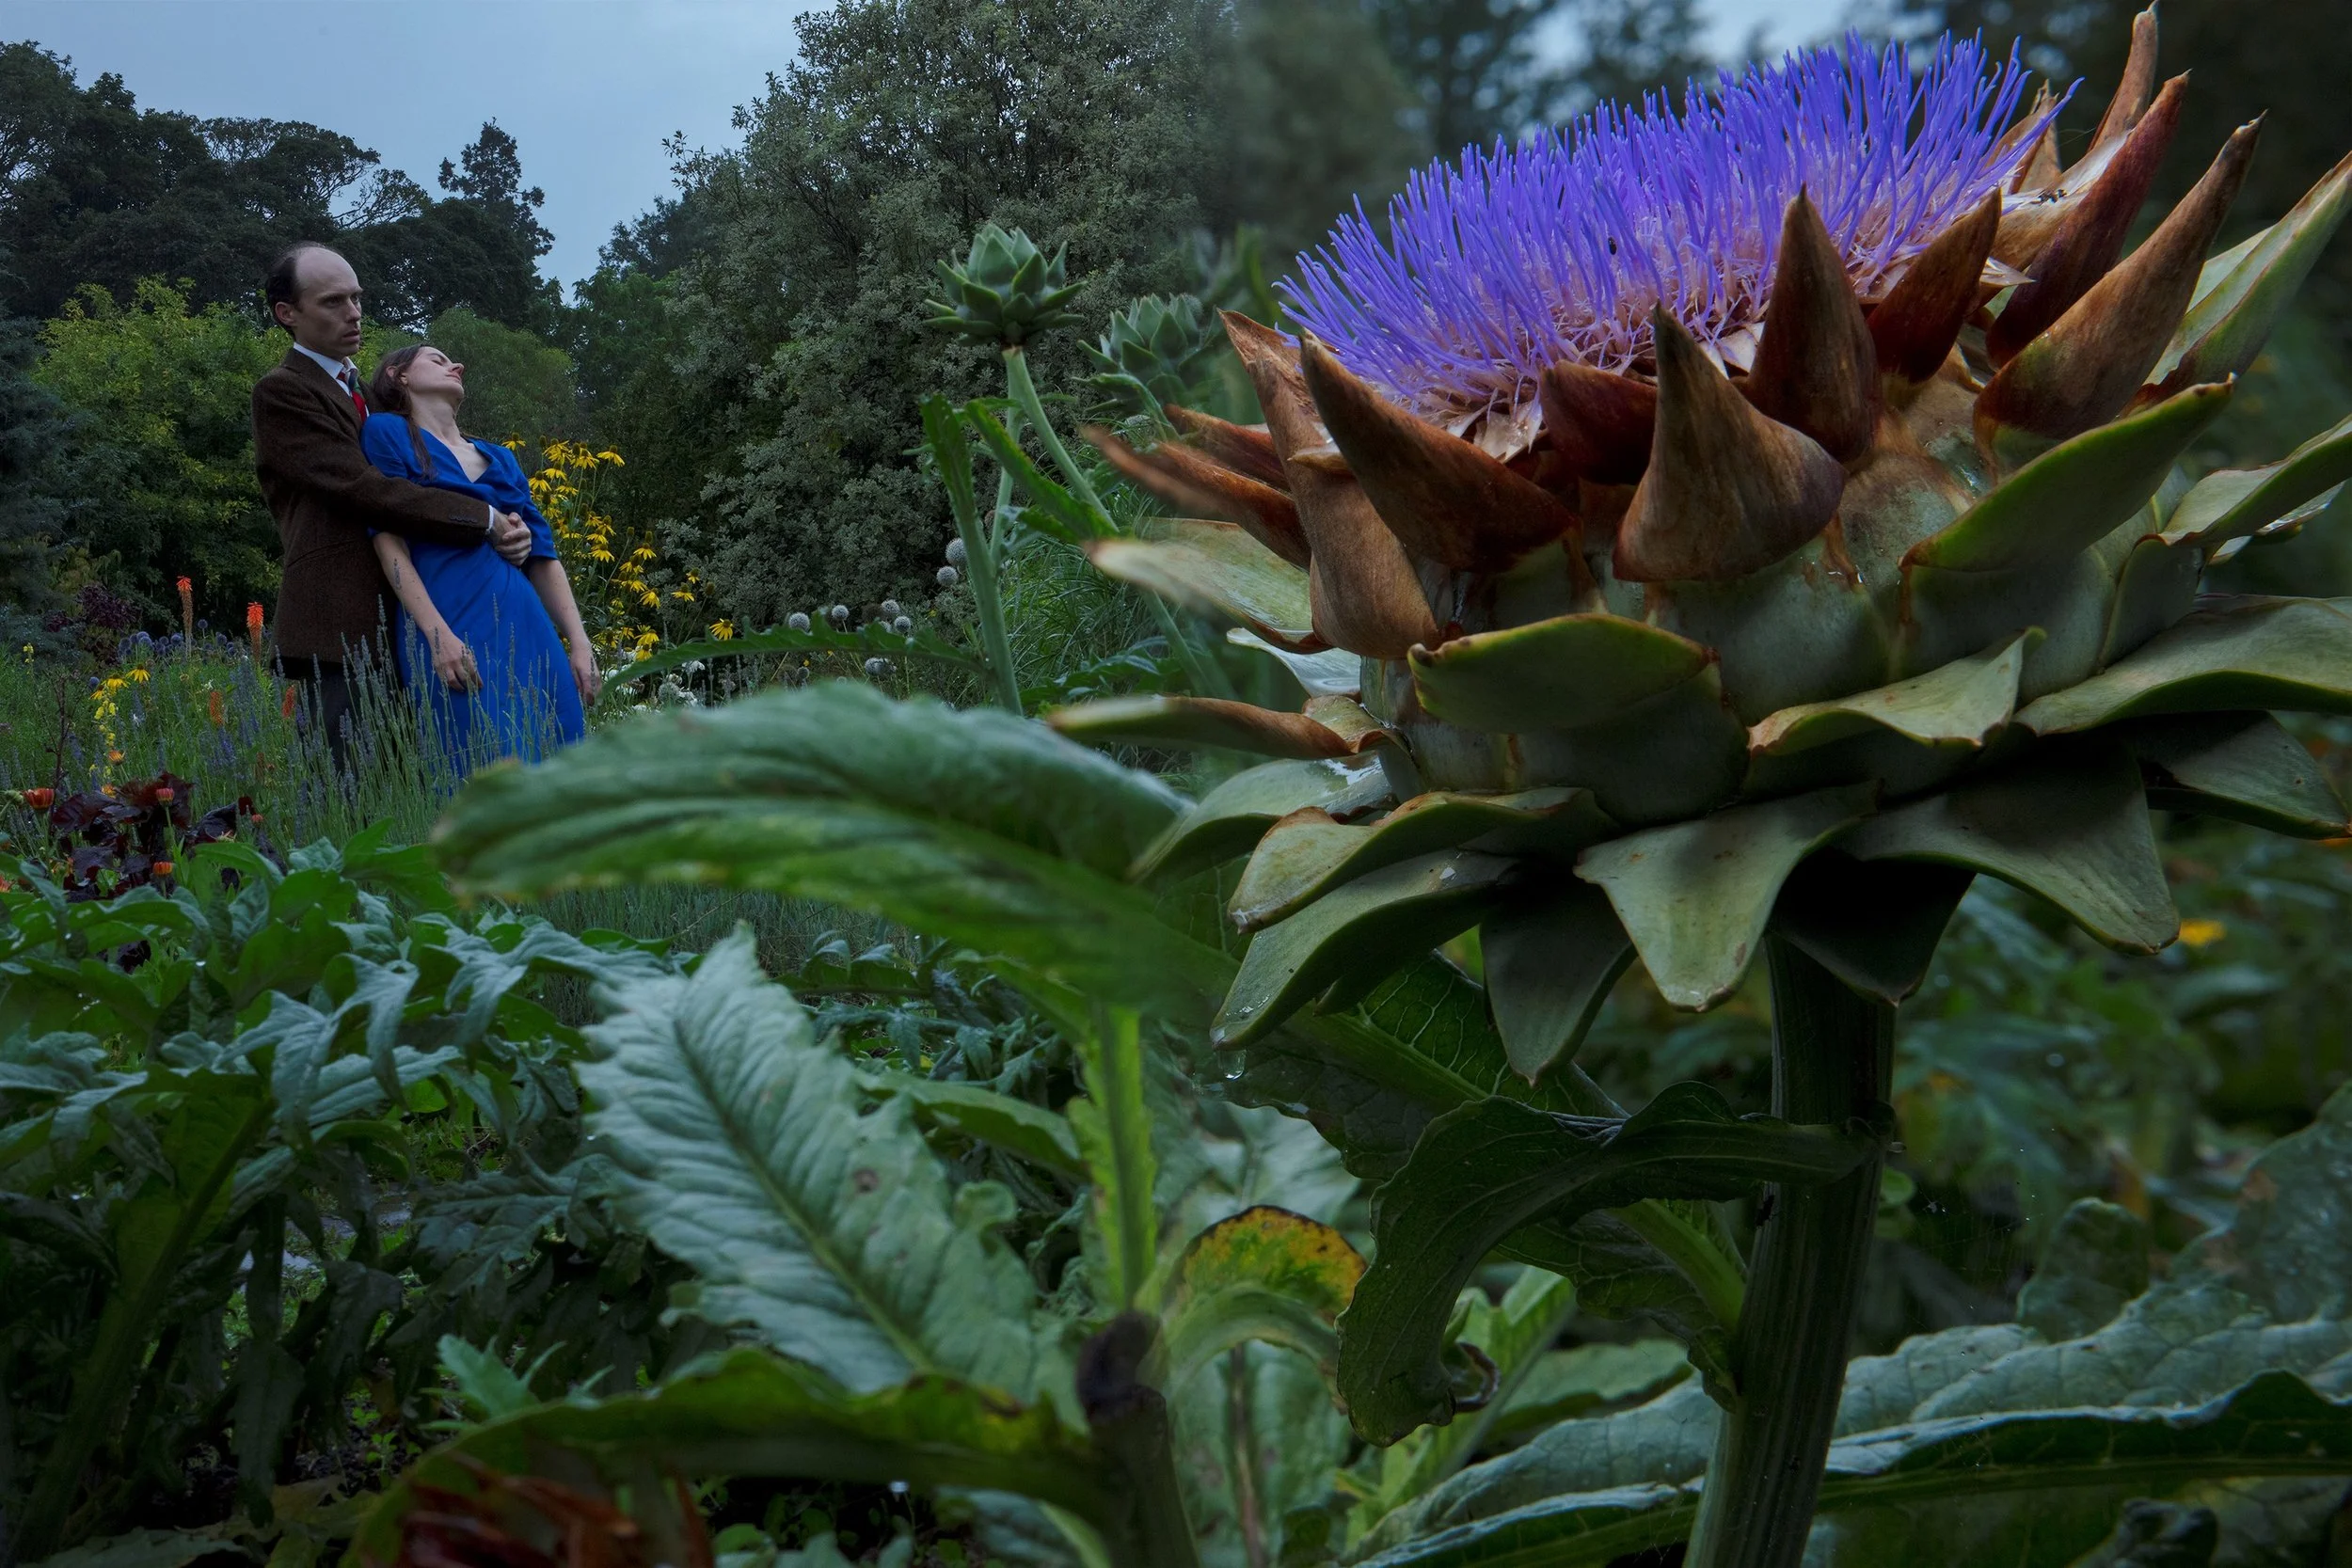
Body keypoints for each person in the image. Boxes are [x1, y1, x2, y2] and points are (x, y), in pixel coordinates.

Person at [251, 242, 533, 766]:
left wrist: (515, 525)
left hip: (412, 625)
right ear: (287, 314)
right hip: (338, 627)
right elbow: (363, 489)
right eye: (333, 302)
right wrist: (484, 519)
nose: (354, 313)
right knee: (346, 803)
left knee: (420, 796)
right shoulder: (283, 392)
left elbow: (438, 463)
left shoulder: (368, 396)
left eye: (356, 298)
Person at [361, 344, 597, 773]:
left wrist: (579, 645)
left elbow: (543, 557)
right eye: (436, 359)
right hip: (450, 623)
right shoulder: (386, 432)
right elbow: (388, 543)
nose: (456, 365)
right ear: (399, 376)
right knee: (476, 768)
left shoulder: (501, 458)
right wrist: (436, 637)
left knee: (561, 768)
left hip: (527, 628)